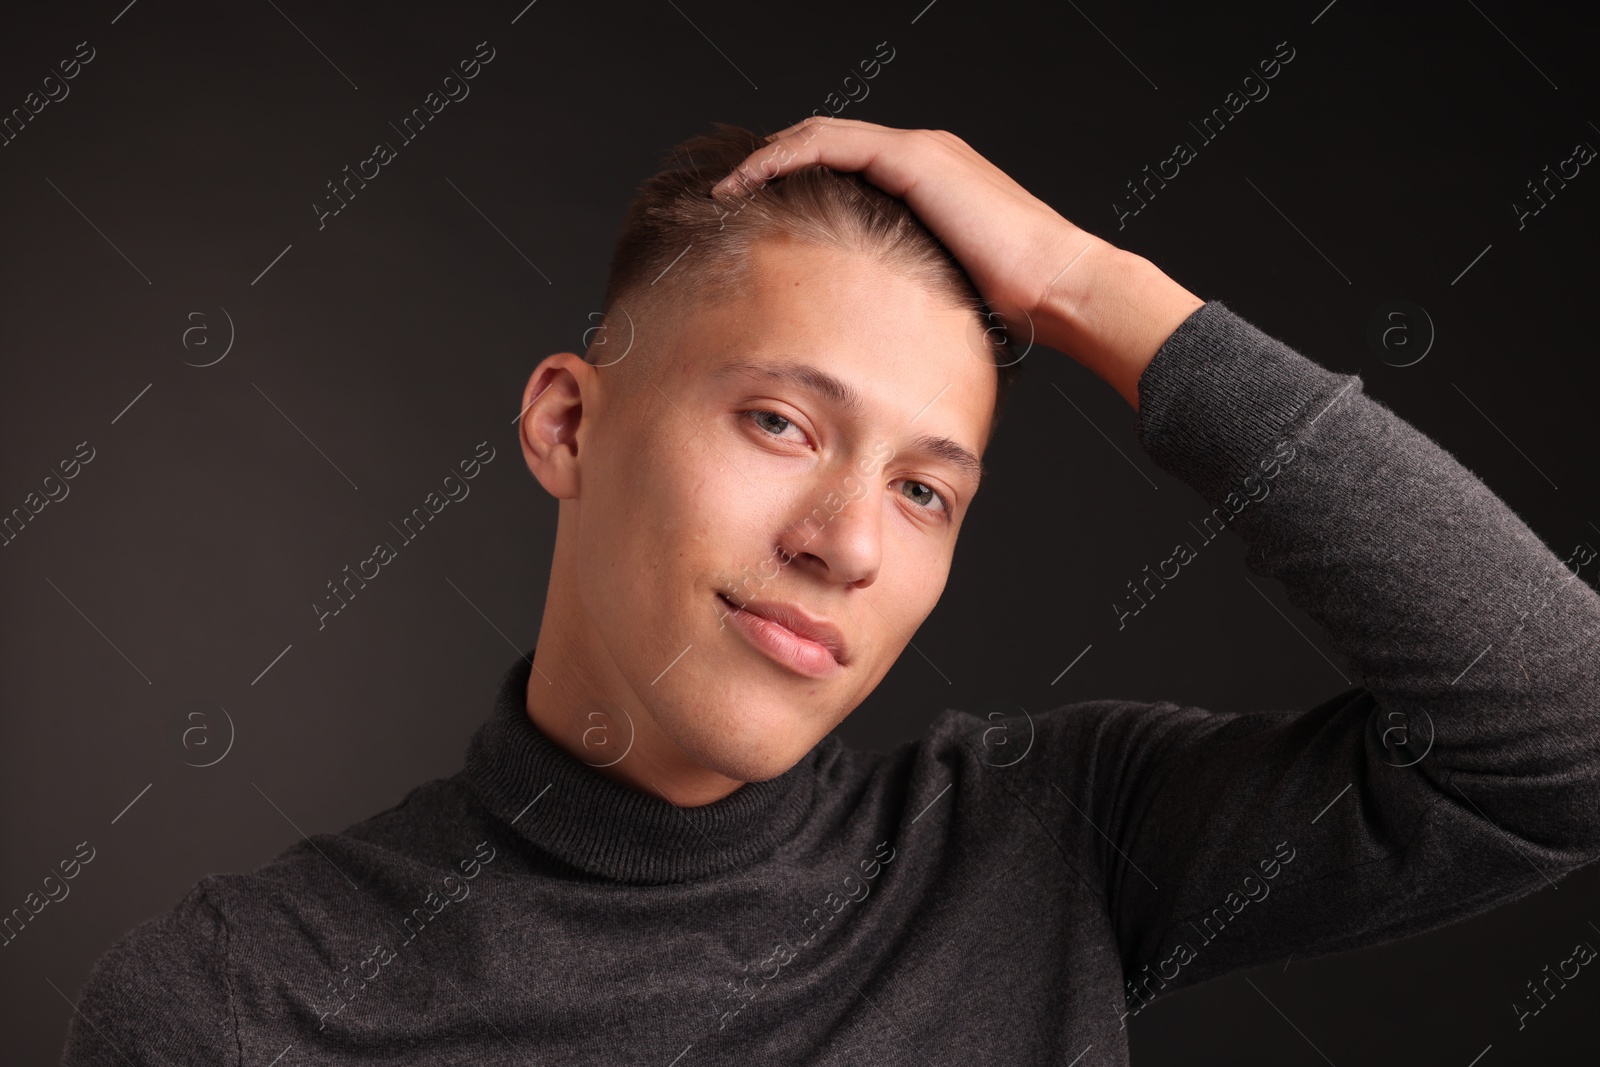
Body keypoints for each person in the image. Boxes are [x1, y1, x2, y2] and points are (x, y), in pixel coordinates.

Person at [60, 118, 1600, 1065]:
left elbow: (1562, 737)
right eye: (783, 424)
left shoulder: (1041, 848)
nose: (847, 543)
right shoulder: (236, 1006)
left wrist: (1088, 288)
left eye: (924, 490)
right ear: (567, 425)